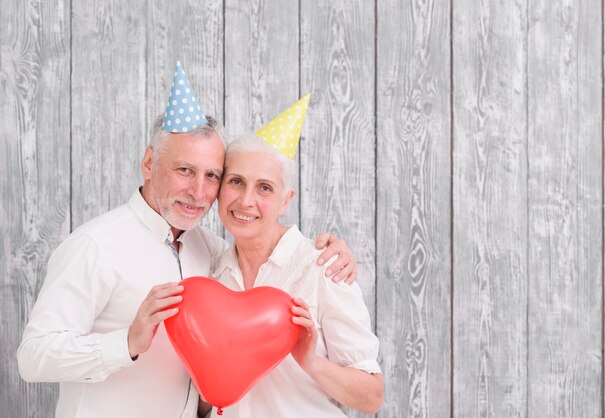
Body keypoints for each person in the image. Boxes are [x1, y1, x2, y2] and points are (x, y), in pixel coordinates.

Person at [16, 64, 357, 418]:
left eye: (212, 176)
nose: (198, 192)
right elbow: (33, 357)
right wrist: (126, 342)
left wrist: (333, 253)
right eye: (184, 170)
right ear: (149, 163)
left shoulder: (208, 249)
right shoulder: (95, 245)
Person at [203, 95, 383, 417]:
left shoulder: (323, 266)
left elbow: (371, 397)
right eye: (236, 182)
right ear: (219, 189)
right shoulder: (212, 272)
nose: (246, 200)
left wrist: (309, 361)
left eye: (265, 188)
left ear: (285, 200)